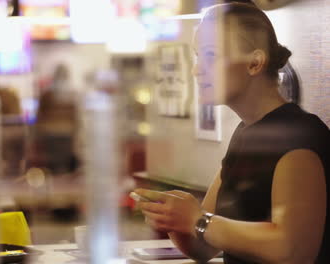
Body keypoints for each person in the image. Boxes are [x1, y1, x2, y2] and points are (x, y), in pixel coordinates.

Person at [134, 2, 330, 264]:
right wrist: (173, 218)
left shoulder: (299, 137)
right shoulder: (246, 133)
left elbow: (293, 251)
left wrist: (197, 219)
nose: (196, 69)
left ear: (255, 62)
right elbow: (202, 247)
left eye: (210, 56)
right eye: (197, 57)